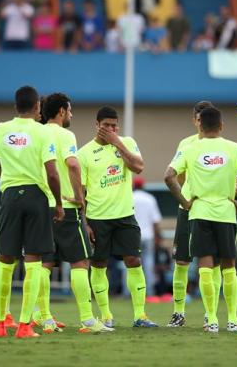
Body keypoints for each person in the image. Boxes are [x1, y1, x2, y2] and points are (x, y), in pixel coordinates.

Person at [165, 106, 237, 333]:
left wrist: (186, 201)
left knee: (205, 267)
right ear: (221, 125)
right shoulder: (234, 148)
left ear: (200, 123)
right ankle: (232, 318)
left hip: (199, 213)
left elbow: (169, 176)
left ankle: (211, 320)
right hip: (226, 214)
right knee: (228, 267)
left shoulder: (190, 148)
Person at [0, 86, 63, 338]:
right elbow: (52, 172)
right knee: (33, 261)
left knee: (5, 260)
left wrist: (11, 178)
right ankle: (25, 326)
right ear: (38, 107)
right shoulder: (42, 131)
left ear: (15, 106)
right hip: (36, 196)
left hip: (9, 196)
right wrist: (59, 203)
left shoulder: (0, 129)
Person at [33, 93, 113, 333]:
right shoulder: (65, 134)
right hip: (65, 207)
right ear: (60, 112)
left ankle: (44, 317)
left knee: (44, 263)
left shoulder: (36, 133)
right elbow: (73, 164)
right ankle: (87, 320)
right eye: (70, 110)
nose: (71, 115)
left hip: (40, 206)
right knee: (80, 262)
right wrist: (79, 197)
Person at [78, 106, 157, 328]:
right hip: (97, 217)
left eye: (114, 126)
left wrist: (117, 142)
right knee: (99, 263)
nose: (110, 129)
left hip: (125, 216)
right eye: (106, 126)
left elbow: (139, 167)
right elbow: (80, 192)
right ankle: (106, 316)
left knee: (134, 260)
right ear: (97, 126)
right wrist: (85, 223)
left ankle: (140, 316)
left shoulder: (127, 143)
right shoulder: (84, 153)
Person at [166, 101, 221, 328]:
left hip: (214, 209)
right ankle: (179, 313)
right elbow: (175, 175)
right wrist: (186, 197)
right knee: (182, 261)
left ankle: (211, 314)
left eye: (203, 118)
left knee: (214, 263)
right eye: (198, 118)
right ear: (194, 119)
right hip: (188, 209)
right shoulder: (186, 144)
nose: (200, 122)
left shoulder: (223, 146)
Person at [133, 176, 162, 296]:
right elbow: (155, 221)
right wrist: (158, 236)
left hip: (133, 235)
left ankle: (129, 291)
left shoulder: (129, 197)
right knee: (148, 262)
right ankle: (149, 291)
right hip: (148, 235)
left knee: (130, 264)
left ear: (134, 185)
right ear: (143, 185)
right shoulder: (150, 198)